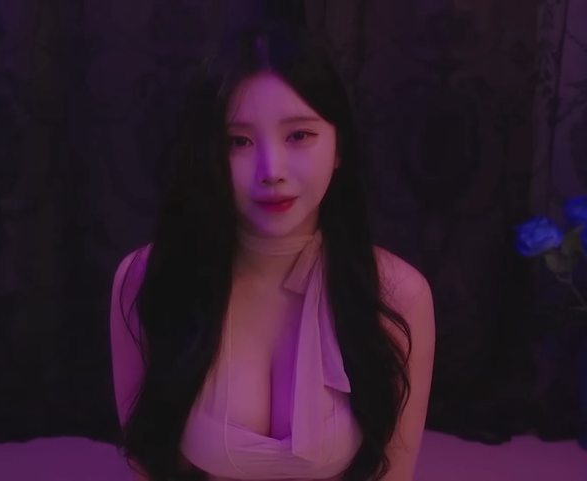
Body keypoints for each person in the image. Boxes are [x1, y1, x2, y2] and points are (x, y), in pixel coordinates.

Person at [110, 19, 435, 481]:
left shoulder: (400, 293)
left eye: (299, 135)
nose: (271, 170)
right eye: (238, 141)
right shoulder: (148, 276)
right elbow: (146, 460)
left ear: (338, 147)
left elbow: (393, 472)